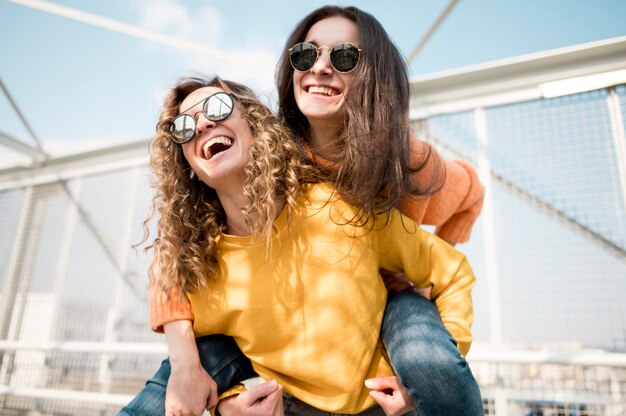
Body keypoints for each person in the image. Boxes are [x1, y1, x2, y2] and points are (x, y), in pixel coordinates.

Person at [131, 5, 485, 416]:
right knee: (198, 354)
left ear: (374, 77)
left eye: (344, 56)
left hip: (387, 295)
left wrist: (422, 278)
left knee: (427, 358)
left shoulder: (409, 163)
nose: (319, 67)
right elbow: (172, 264)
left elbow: (469, 202)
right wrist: (209, 391)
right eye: (305, 54)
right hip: (288, 310)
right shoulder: (275, 154)